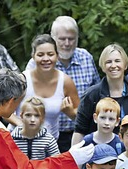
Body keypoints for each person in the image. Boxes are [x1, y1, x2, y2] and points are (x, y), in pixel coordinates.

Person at [26, 16, 101, 152]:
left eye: (71, 38)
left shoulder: (86, 58)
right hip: (43, 136)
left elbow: (97, 97)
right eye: (62, 39)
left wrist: (71, 113)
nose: (67, 43)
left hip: (79, 132)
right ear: (53, 39)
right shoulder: (37, 63)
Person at [71, 44, 128, 145]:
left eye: (117, 61)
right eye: (108, 62)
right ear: (103, 67)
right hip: (97, 153)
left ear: (125, 65)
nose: (113, 65)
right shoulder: (92, 94)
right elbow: (80, 130)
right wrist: (74, 157)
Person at [8, 34, 80, 139]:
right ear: (33, 56)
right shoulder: (22, 80)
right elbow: (5, 112)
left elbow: (80, 114)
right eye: (40, 55)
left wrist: (71, 113)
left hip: (49, 145)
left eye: (50, 54)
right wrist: (25, 127)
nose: (46, 59)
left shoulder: (65, 81)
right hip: (19, 141)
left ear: (57, 56)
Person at [79, 97, 125, 169]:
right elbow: (77, 168)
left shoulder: (120, 143)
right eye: (103, 117)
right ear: (95, 118)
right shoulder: (87, 141)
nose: (106, 123)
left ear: (117, 122)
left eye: (111, 119)